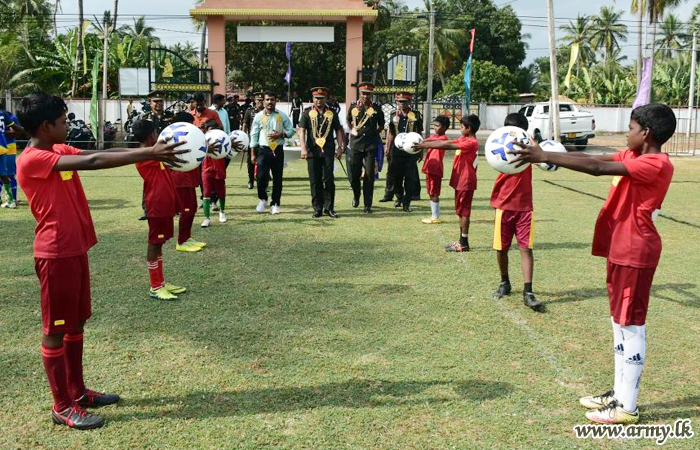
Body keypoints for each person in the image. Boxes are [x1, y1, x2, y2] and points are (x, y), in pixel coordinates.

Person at [16, 92, 184, 430]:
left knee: (76, 324)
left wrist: (148, 153)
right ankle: (61, 405)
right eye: (63, 121)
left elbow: (98, 154)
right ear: (46, 126)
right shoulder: (33, 158)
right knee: (55, 331)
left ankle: (77, 392)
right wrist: (151, 151)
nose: (68, 125)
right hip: (55, 253)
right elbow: (92, 164)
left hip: (75, 250)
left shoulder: (57, 149)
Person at [510, 104, 676, 425]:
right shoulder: (637, 157)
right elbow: (594, 160)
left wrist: (545, 156)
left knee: (631, 325)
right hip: (622, 249)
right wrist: (548, 154)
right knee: (619, 322)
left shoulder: (655, 164)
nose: (626, 134)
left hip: (636, 252)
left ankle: (627, 406)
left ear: (646, 134)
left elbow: (597, 170)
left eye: (630, 128)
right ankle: (617, 393)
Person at [132, 119, 188, 300]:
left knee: (160, 243)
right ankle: (155, 286)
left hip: (164, 206)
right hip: (156, 207)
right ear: (151, 136)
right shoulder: (145, 155)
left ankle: (161, 282)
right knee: (154, 244)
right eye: (156, 134)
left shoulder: (154, 153)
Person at [490, 113, 541, 312]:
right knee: (501, 248)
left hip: (525, 207)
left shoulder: (530, 149)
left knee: (526, 248)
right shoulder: (499, 145)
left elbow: (544, 161)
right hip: (503, 205)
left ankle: (528, 291)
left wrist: (536, 145)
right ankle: (505, 282)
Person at [416, 115, 480, 252]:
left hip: (466, 180)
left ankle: (463, 243)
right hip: (460, 180)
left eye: (462, 127)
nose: (460, 129)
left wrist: (424, 145)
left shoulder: (471, 142)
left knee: (464, 211)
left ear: (469, 129)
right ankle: (461, 241)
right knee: (460, 210)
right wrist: (425, 142)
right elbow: (446, 141)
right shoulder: (465, 138)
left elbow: (447, 144)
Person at [298, 87, 345, 218]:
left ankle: (329, 208)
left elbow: (339, 130)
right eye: (316, 98)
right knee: (315, 180)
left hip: (328, 150)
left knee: (329, 179)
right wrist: (303, 148)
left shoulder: (332, 113)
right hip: (312, 151)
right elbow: (301, 130)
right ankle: (317, 208)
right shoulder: (306, 113)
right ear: (313, 99)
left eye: (322, 98)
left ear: (326, 98)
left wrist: (340, 147)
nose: (319, 100)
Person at [249, 91, 295, 215]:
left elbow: (291, 130)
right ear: (263, 101)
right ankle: (262, 199)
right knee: (261, 176)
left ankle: (275, 203)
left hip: (278, 150)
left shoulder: (282, 115)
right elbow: (254, 134)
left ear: (276, 101)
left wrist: (282, 134)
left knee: (277, 178)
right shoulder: (258, 116)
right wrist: (253, 153)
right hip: (263, 150)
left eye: (272, 99)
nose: (270, 102)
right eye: (268, 99)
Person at [169, 111, 207, 253]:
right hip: (181, 179)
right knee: (187, 209)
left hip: (188, 178)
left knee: (191, 208)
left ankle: (187, 237)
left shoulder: (187, 137)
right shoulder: (176, 138)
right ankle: (182, 241)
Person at [190, 93, 227, 227]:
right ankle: (206, 215)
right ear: (193, 103)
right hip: (198, 154)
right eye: (196, 103)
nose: (199, 106)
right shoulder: (190, 114)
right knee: (203, 182)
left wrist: (212, 130)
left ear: (204, 102)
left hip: (214, 155)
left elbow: (221, 129)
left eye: (201, 103)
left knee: (219, 185)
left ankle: (220, 210)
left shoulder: (212, 113)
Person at [348, 82, 385, 213]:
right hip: (356, 144)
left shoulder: (376, 108)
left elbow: (382, 124)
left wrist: (375, 133)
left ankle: (367, 204)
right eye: (364, 93)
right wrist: (352, 129)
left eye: (368, 94)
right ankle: (356, 195)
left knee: (369, 175)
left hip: (370, 145)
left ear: (371, 94)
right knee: (354, 174)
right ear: (360, 93)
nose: (366, 96)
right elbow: (348, 120)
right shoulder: (353, 106)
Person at [137, 91, 174, 220]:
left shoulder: (170, 116)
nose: (158, 104)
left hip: (166, 152)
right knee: (149, 182)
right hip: (151, 153)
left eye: (161, 101)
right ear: (150, 102)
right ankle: (147, 209)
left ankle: (172, 206)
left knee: (169, 179)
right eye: (155, 101)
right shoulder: (145, 117)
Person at [385, 91, 423, 212]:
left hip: (411, 151)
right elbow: (391, 132)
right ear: (396, 102)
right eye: (399, 101)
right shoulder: (392, 114)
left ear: (409, 102)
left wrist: (421, 149)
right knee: (396, 178)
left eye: (404, 101)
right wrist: (387, 147)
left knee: (410, 178)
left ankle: (407, 202)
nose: (402, 104)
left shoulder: (416, 114)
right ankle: (399, 197)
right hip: (396, 151)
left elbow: (419, 132)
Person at [413, 115, 451, 224]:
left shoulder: (443, 139)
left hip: (435, 169)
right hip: (429, 168)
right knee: (431, 192)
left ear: (444, 128)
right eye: (434, 125)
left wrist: (423, 144)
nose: (435, 128)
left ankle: (435, 217)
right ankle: (434, 215)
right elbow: (424, 141)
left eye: (437, 126)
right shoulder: (433, 137)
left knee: (434, 192)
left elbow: (433, 143)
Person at [1, 105, 23, 208]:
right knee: (3, 174)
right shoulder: (4, 114)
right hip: (3, 146)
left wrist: (4, 132)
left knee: (9, 173)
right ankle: (8, 199)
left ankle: (13, 198)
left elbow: (15, 132)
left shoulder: (12, 117)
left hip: (9, 146)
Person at [242, 92, 264, 190]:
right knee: (250, 162)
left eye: (261, 100)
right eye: (258, 100)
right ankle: (251, 180)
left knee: (263, 162)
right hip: (252, 140)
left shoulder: (266, 111)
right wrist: (243, 138)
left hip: (264, 140)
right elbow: (245, 124)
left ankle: (262, 182)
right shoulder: (250, 111)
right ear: (254, 101)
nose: (260, 102)